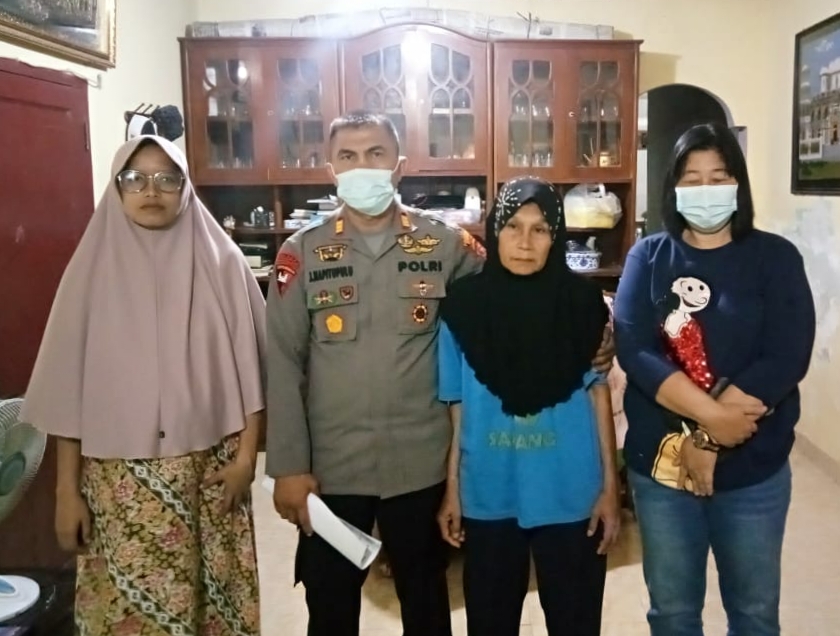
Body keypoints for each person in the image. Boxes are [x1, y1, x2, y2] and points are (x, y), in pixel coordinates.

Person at [265, 110, 617, 636]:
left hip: (421, 464)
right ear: (330, 169)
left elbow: (514, 291)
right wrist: (288, 467)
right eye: (348, 157)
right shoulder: (302, 253)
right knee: (330, 603)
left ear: (400, 165)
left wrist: (598, 332)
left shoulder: (446, 244)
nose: (364, 167)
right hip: (333, 464)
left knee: (427, 601)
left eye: (376, 154)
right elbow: (282, 360)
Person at [21, 135, 266, 636]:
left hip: (211, 474)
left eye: (167, 178)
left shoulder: (223, 263)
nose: (151, 190)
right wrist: (66, 492)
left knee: (214, 607)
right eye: (135, 179)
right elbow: (67, 393)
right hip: (118, 484)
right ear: (117, 188)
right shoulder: (88, 272)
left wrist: (246, 460)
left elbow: (253, 369)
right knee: (129, 614)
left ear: (185, 188)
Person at [613, 122, 816, 635]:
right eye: (692, 178)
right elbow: (636, 350)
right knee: (673, 613)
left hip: (754, 472)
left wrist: (708, 440)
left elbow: (785, 356)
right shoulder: (648, 256)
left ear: (738, 184)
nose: (706, 190)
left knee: (753, 614)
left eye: (719, 177)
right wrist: (711, 419)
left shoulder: (775, 258)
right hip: (663, 472)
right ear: (674, 188)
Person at [436, 176, 621, 636]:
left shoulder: (582, 304)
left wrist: (610, 487)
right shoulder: (462, 309)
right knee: (490, 623)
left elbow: (598, 394)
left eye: (540, 229)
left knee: (576, 622)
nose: (524, 242)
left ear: (555, 237)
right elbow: (457, 406)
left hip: (572, 494)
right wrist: (453, 488)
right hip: (489, 492)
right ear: (494, 231)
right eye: (512, 226)